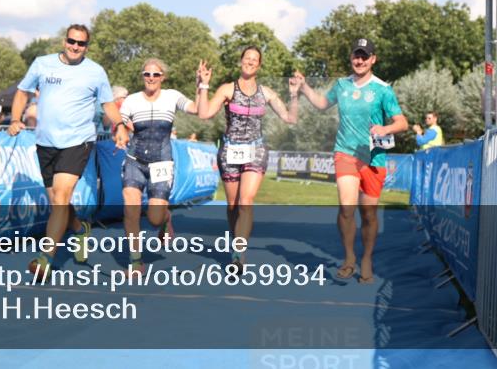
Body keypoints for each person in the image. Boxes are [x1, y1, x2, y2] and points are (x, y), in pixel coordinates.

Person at [8, 24, 127, 280]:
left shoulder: (95, 72)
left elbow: (108, 104)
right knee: (57, 202)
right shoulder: (42, 63)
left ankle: (45, 258)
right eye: (72, 41)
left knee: (61, 196)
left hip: (78, 141)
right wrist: (15, 118)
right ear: (65, 41)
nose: (75, 47)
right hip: (46, 142)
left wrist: (119, 125)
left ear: (87, 46)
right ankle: (80, 228)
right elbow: (22, 91)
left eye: (81, 43)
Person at [293, 38, 408, 284]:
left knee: (369, 215)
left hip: (374, 158)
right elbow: (323, 104)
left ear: (373, 59)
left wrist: (385, 129)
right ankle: (349, 258)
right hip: (345, 153)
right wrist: (304, 88)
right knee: (346, 207)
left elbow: (402, 122)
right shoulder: (342, 85)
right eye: (356, 56)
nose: (359, 60)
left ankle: (366, 257)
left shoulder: (382, 89)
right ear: (351, 58)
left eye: (364, 56)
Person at [198, 47, 300, 270]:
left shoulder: (267, 93)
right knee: (233, 205)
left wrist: (293, 94)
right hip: (230, 150)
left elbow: (290, 118)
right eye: (247, 58)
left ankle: (238, 255)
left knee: (246, 201)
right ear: (241, 62)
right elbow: (204, 114)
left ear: (259, 66)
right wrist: (203, 85)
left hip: (256, 149)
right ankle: (236, 243)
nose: (250, 62)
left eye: (255, 60)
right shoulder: (227, 89)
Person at [116, 58, 204, 275]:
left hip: (162, 161)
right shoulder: (132, 100)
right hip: (135, 159)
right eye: (147, 74)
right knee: (131, 208)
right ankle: (136, 261)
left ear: (162, 77)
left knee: (154, 217)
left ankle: (165, 219)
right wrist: (121, 131)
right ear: (142, 76)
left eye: (156, 75)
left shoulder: (172, 96)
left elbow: (198, 110)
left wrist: (202, 85)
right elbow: (119, 122)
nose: (151, 78)